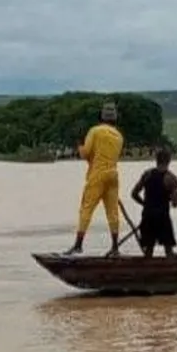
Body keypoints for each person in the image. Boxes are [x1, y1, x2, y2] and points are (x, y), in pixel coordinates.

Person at [64, 100, 124, 255]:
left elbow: (86, 153)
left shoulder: (95, 131)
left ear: (101, 117)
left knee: (86, 209)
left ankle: (78, 245)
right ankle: (115, 247)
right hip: (113, 176)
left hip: (97, 175)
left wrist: (79, 146)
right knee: (113, 212)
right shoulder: (118, 136)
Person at [130, 148, 177, 257]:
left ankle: (146, 270)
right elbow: (175, 204)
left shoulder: (147, 174)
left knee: (148, 250)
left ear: (156, 160)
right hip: (162, 216)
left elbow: (134, 194)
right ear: (169, 160)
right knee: (169, 250)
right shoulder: (171, 178)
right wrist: (174, 196)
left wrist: (144, 204)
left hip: (148, 215)